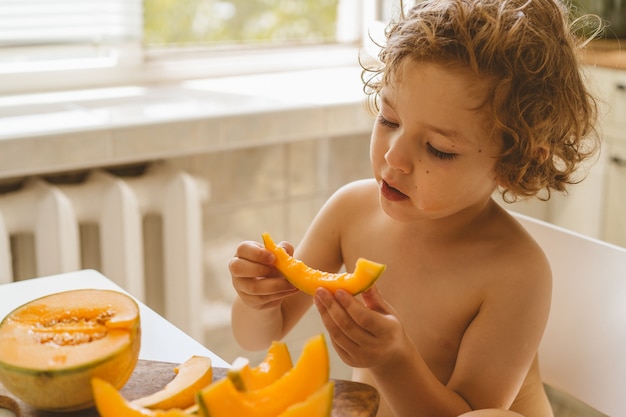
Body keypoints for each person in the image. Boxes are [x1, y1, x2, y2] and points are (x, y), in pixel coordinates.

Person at [228, 0, 600, 416]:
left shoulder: (514, 273)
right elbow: (258, 335)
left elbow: (469, 414)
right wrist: (255, 301)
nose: (394, 158)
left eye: (439, 150)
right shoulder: (350, 211)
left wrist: (391, 360)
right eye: (389, 119)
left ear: (515, 164)